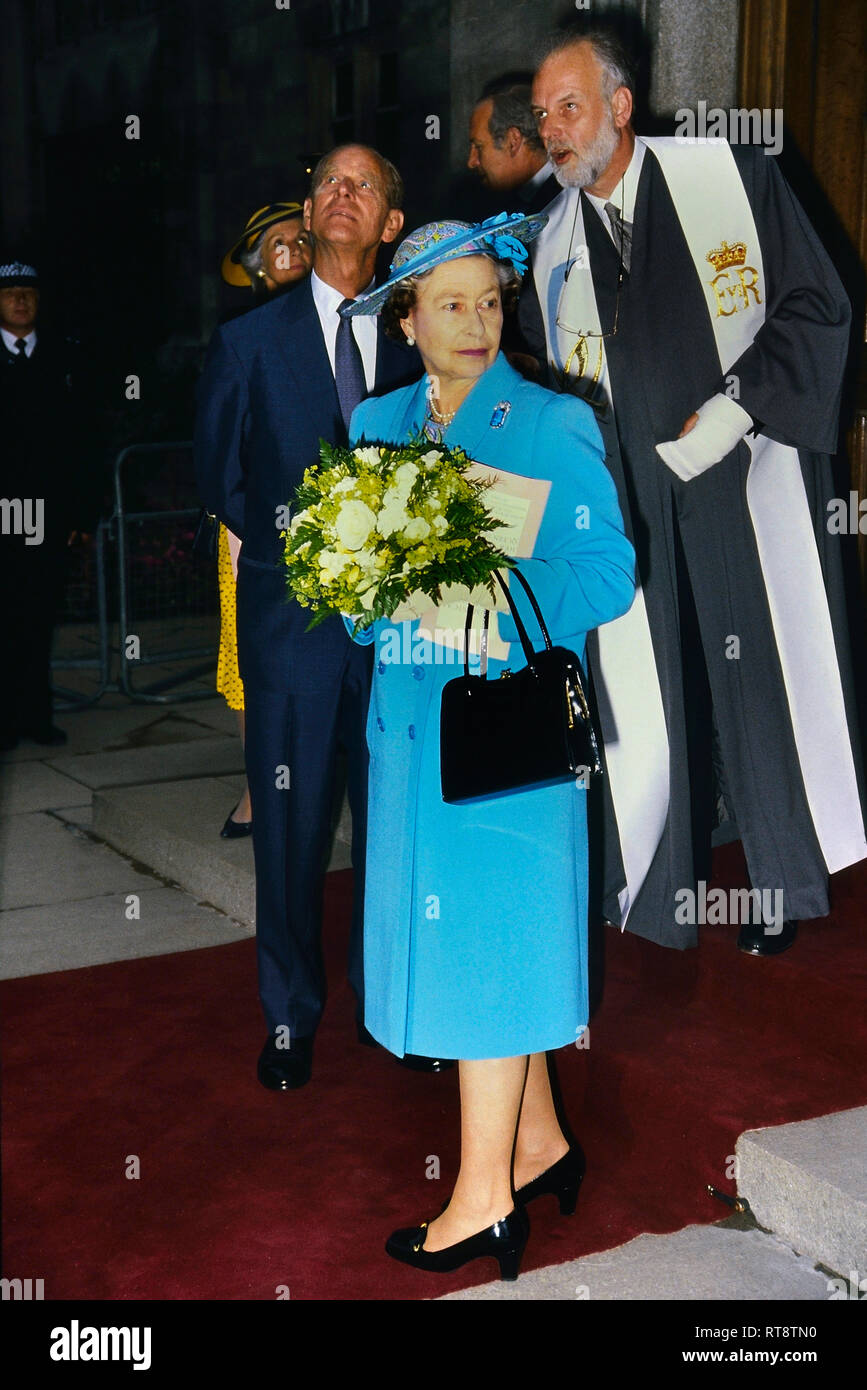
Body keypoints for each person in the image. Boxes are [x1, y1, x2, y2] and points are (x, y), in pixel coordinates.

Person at [520, 27, 867, 957]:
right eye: (541, 115)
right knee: (642, 684)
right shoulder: (546, 246)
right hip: (626, 485)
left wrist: (732, 413)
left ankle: (782, 884)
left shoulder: (734, 179)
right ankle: (657, 885)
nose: (551, 130)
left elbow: (818, 303)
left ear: (621, 106)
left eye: (569, 107)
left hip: (737, 470)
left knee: (756, 674)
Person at [343, 217, 635, 1278]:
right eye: (449, 304)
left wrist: (492, 608)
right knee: (461, 938)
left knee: (490, 948)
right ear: (408, 320)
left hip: (508, 741)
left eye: (490, 301)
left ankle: (483, 1201)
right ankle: (543, 1139)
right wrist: (368, 598)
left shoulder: (551, 423)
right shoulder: (376, 422)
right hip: (413, 736)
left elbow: (608, 575)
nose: (474, 322)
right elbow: (356, 585)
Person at [194, 146, 432, 1092]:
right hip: (290, 631)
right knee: (288, 824)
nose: (339, 195)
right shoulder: (248, 343)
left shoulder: (422, 339)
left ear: (388, 228)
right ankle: (290, 1014)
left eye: (362, 186)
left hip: (403, 635)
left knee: (394, 824)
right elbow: (222, 479)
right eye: (326, 183)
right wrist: (309, 554)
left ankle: (395, 1004)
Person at [215, 202, 313, 839]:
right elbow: (223, 442)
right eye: (276, 244)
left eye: (297, 240)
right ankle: (259, 788)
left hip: (334, 518)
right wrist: (233, 523)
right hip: (253, 524)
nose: (291, 252)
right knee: (255, 666)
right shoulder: (242, 332)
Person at [0, 260, 95, 751]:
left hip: (42, 514)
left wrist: (80, 514)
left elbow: (82, 442)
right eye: (10, 292)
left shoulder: (64, 358)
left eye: (28, 293)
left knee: (37, 616)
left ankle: (35, 716)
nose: (20, 300)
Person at [467, 79, 560, 213]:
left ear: (513, 141)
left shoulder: (561, 202)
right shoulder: (526, 198)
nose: (471, 162)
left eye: (478, 147)